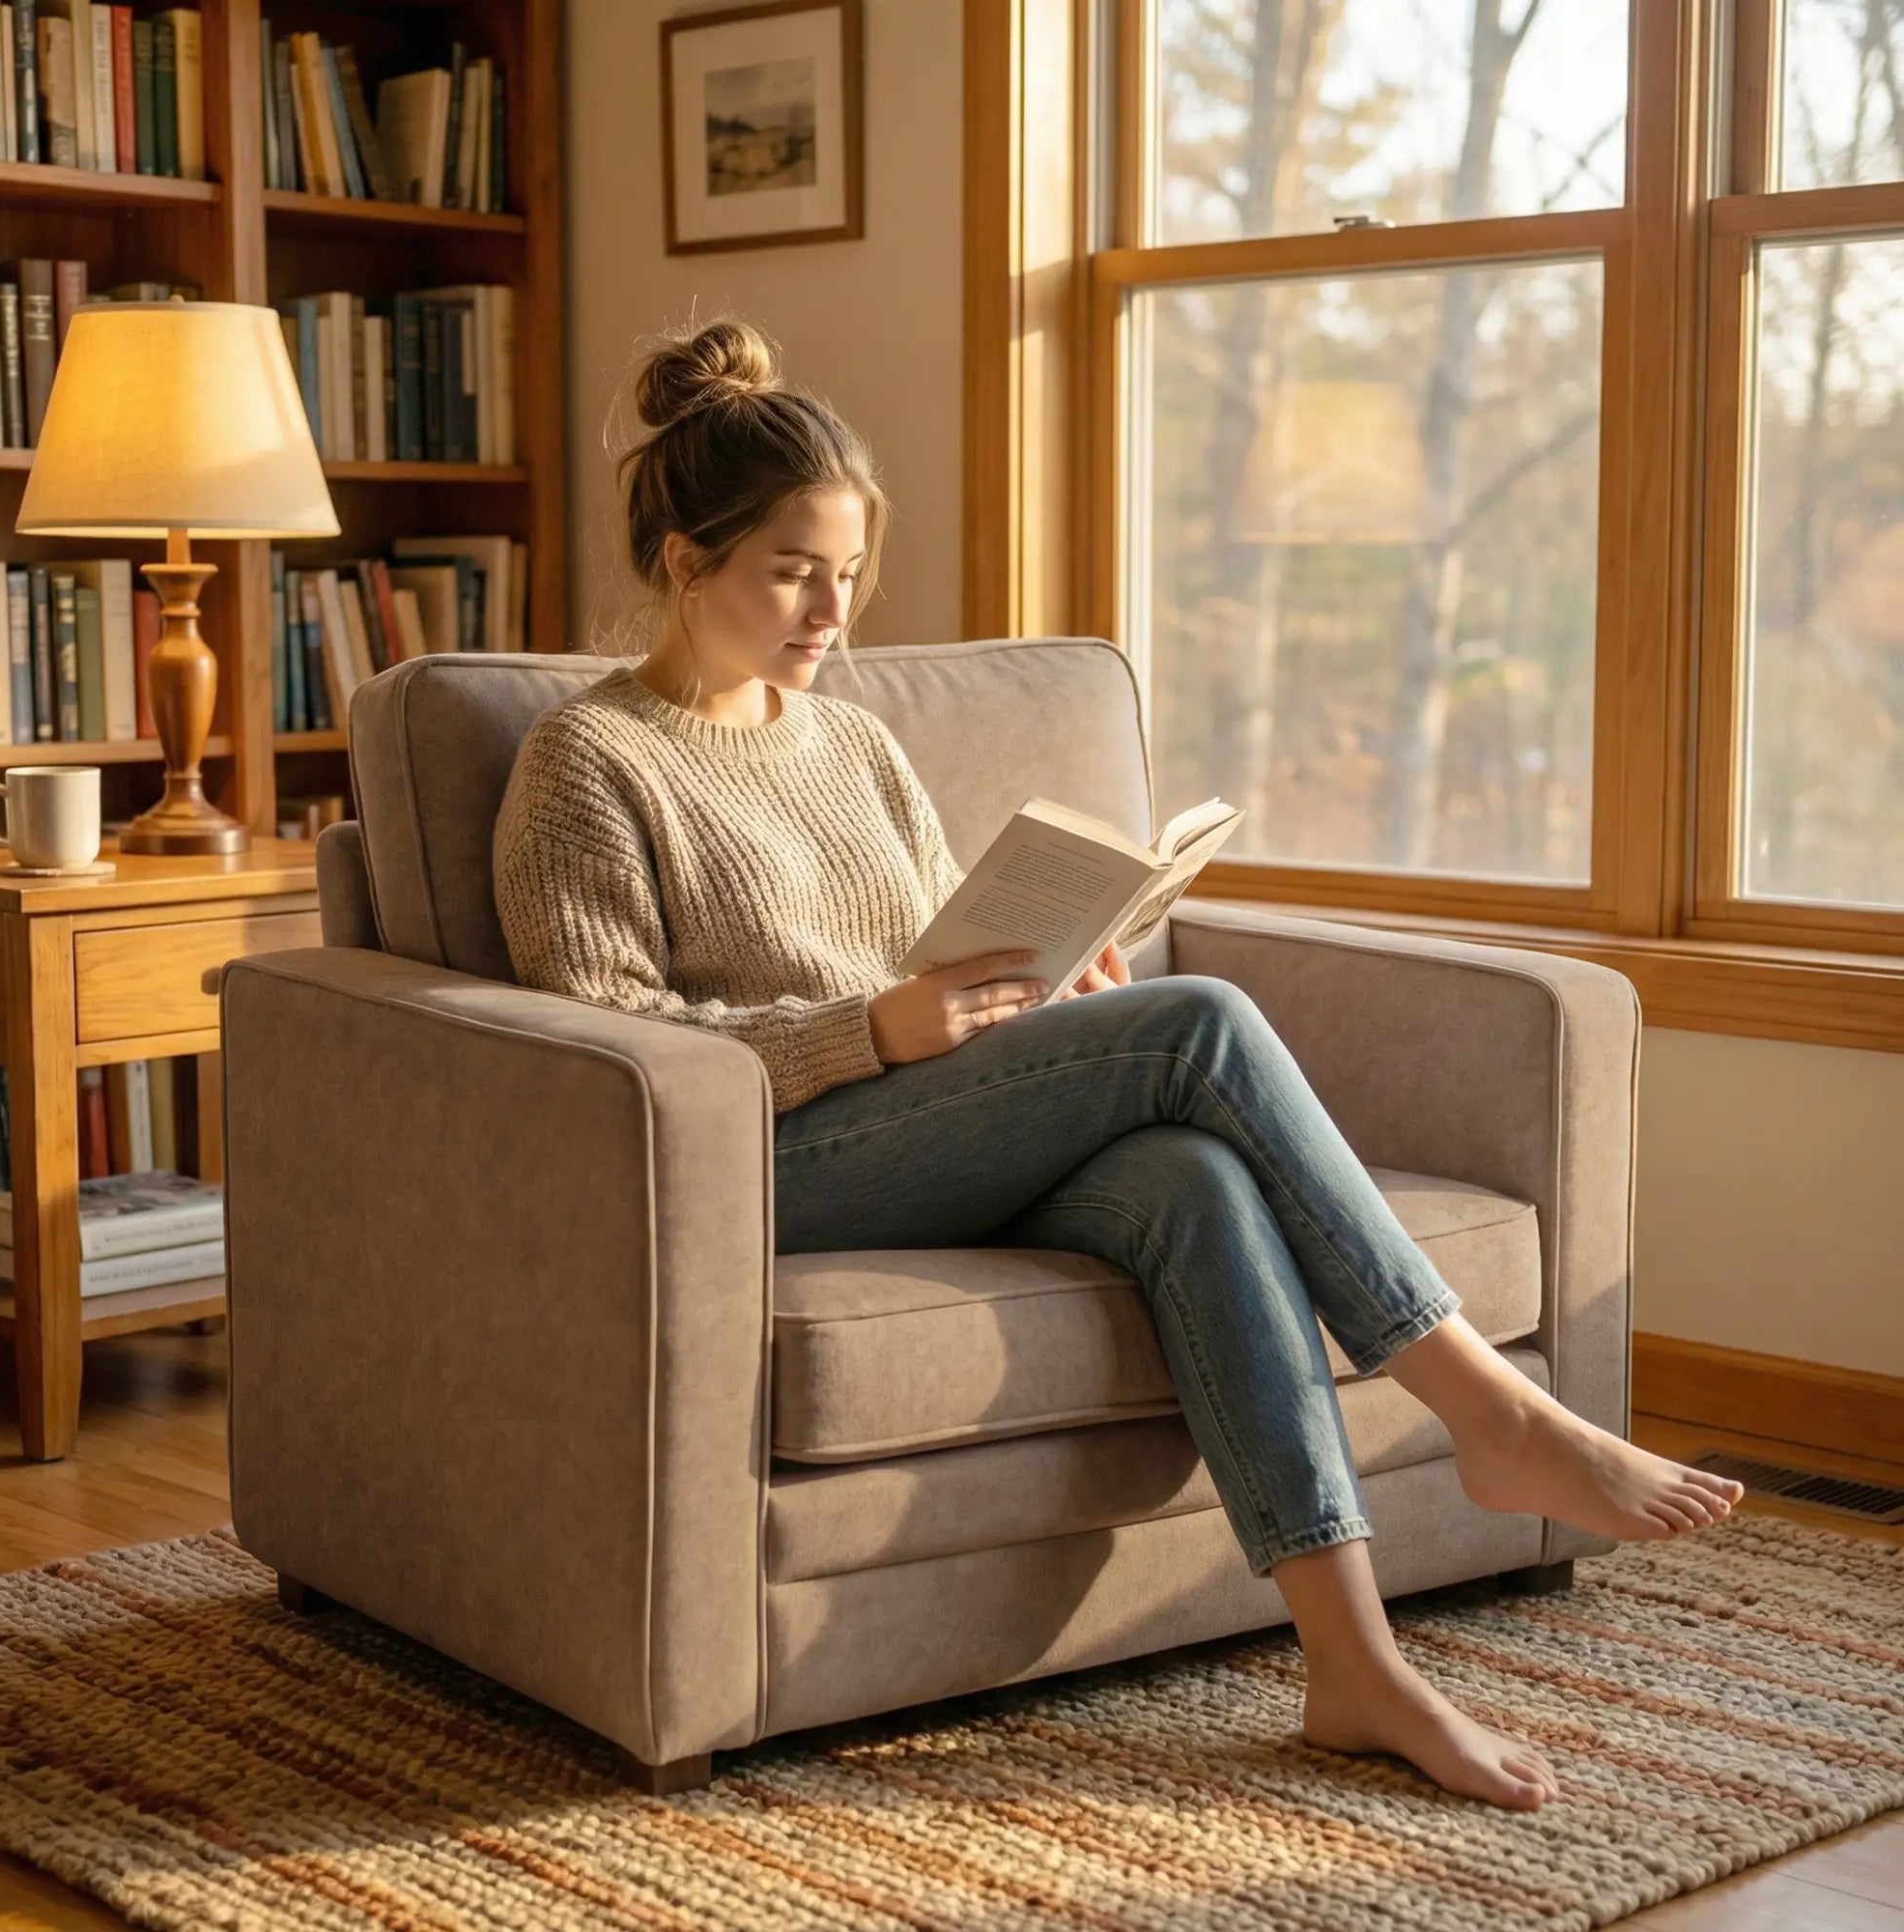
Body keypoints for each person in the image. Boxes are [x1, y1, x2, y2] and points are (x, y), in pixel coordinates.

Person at [492, 316, 1745, 1812]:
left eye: (849, 570)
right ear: (687, 564)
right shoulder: (588, 762)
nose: (833, 607)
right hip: (751, 1165)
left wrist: (1043, 983)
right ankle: (1494, 1412)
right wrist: (867, 1034)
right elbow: (604, 1060)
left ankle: (1354, 1666)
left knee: (1192, 1178)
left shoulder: (854, 743)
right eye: (790, 570)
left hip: (916, 1123)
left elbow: (926, 952)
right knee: (1198, 1023)